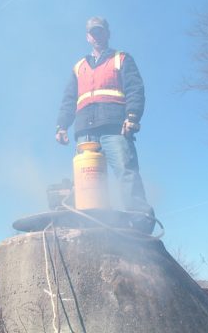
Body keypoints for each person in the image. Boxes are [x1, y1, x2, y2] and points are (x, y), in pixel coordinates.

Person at [55, 16, 155, 233]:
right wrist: (62, 125)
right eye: (93, 33)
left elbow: (135, 89)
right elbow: (69, 99)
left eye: (100, 32)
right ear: (87, 37)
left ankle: (140, 222)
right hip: (85, 130)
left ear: (107, 34)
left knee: (125, 170)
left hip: (114, 126)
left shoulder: (121, 58)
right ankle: (90, 221)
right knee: (87, 177)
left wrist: (132, 117)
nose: (97, 36)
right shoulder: (79, 67)